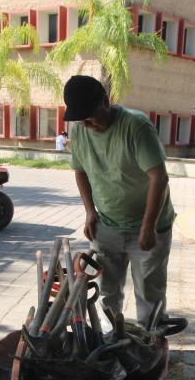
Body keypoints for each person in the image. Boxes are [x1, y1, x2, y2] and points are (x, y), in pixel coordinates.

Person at [64, 75, 175, 328]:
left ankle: (150, 342)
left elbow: (159, 178)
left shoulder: (136, 126)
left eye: (90, 116)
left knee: (149, 293)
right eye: (80, 118)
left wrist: (148, 227)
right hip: (107, 225)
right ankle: (108, 342)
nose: (85, 123)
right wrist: (90, 212)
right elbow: (80, 170)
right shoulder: (79, 130)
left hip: (148, 226)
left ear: (106, 101)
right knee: (105, 292)